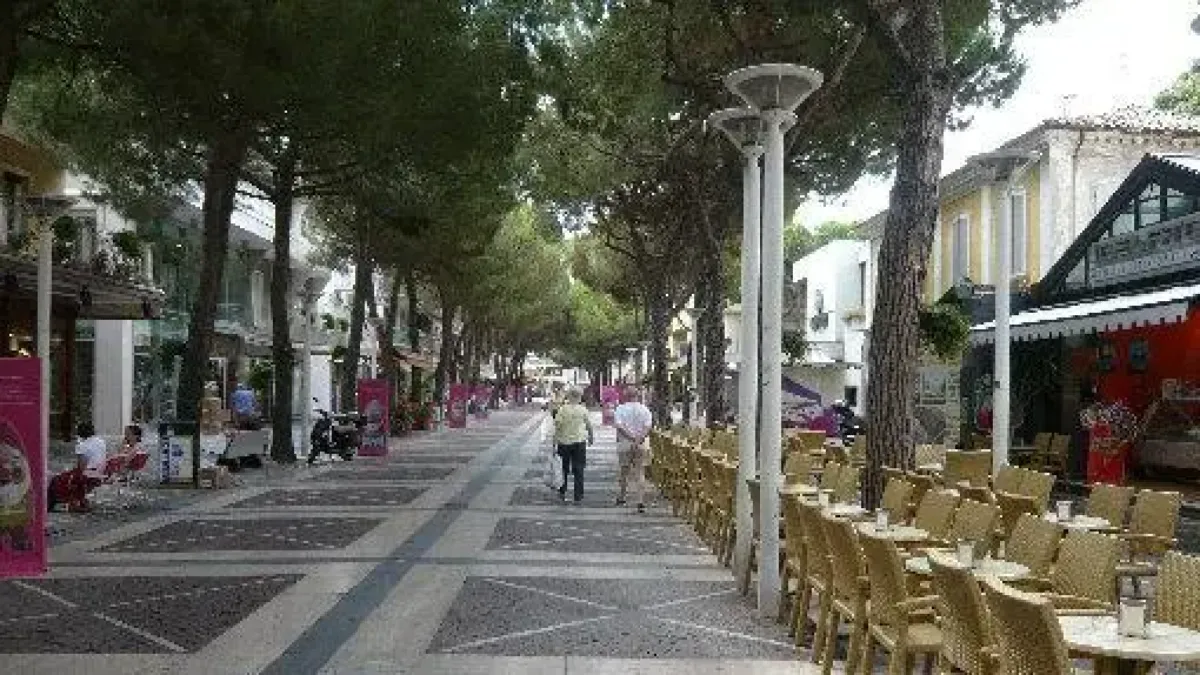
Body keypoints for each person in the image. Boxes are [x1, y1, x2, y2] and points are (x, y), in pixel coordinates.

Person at [47, 422, 108, 512]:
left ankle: (51, 505)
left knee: (56, 480)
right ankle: (79, 500)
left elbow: (81, 467)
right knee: (68, 476)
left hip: (88, 474)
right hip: (100, 472)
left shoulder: (82, 446)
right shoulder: (101, 442)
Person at [613, 387, 653, 513]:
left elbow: (619, 426)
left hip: (624, 443)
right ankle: (640, 500)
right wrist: (638, 438)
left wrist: (631, 438)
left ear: (625, 396)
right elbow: (648, 427)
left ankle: (622, 496)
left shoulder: (620, 409)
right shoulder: (645, 409)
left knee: (624, 471)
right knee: (640, 472)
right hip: (641, 443)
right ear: (638, 395)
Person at [553, 388, 594, 503]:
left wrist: (554, 442)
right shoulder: (583, 410)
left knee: (563, 469)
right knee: (579, 468)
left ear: (569, 396)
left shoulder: (562, 409)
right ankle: (578, 495)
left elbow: (558, 426)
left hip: (564, 443)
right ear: (580, 397)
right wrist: (591, 437)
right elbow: (589, 425)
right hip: (579, 442)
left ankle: (562, 491)